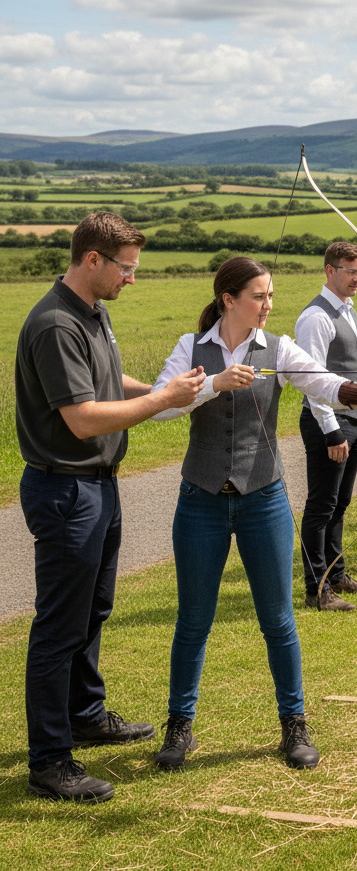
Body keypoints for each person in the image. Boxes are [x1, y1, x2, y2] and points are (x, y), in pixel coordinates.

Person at [149, 257, 357, 771]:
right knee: (193, 622)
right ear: (229, 299)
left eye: (270, 296)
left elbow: (325, 383)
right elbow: (163, 404)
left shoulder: (278, 349)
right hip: (200, 500)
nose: (268, 305)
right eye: (258, 296)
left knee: (278, 620)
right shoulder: (192, 346)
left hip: (263, 499)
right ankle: (179, 727)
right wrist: (213, 384)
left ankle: (293, 725)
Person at [16, 211, 206, 804]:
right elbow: (81, 418)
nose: (132, 280)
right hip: (67, 489)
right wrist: (163, 402)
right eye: (125, 269)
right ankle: (50, 760)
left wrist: (157, 389)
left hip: (99, 485)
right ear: (92, 260)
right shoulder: (54, 324)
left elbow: (105, 382)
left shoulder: (93, 314)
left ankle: (85, 715)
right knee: (59, 625)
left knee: (94, 609)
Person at [295, 241, 357, 612]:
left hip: (352, 419)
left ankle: (336, 573)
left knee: (340, 503)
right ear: (330, 271)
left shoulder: (348, 311)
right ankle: (317, 587)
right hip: (327, 423)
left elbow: (354, 370)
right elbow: (313, 379)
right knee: (321, 506)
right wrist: (330, 430)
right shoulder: (315, 317)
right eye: (350, 271)